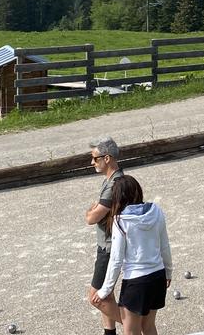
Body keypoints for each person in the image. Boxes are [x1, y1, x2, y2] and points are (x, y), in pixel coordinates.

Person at [92, 175, 173, 335]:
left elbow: (116, 259)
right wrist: (168, 272)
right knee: (149, 327)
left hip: (136, 283)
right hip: (158, 277)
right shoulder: (156, 211)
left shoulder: (120, 221)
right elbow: (165, 245)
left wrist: (105, 290)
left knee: (131, 332)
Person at [85, 137, 124, 335]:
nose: (92, 162)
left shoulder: (113, 185)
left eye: (95, 158)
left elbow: (92, 217)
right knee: (106, 294)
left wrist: (89, 213)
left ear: (106, 158)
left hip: (108, 248)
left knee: (95, 297)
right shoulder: (113, 180)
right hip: (108, 245)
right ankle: (110, 333)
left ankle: (137, 326)